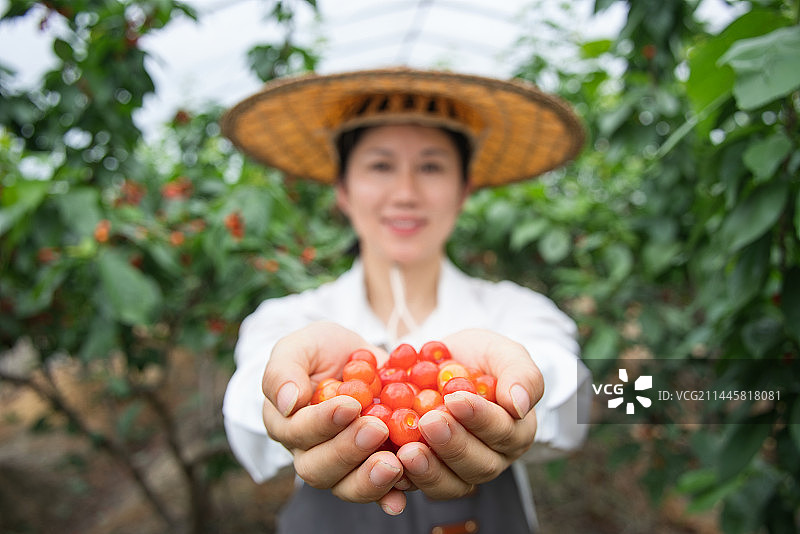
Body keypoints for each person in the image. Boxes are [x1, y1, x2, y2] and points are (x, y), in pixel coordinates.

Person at [220, 68, 592, 534]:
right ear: (343, 190)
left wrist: (520, 391)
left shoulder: (515, 312)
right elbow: (249, 394)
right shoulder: (292, 319)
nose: (406, 193)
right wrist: (284, 400)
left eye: (432, 166)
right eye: (380, 165)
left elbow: (566, 386)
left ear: (463, 191)